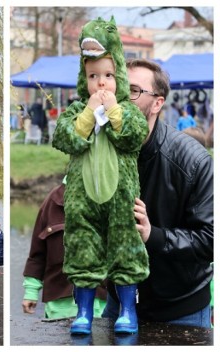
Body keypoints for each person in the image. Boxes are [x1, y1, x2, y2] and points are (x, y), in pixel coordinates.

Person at [52, 17, 149, 335]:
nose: (102, 83)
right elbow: (64, 138)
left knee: (125, 250)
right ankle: (82, 313)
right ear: (85, 79)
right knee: (83, 251)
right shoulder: (77, 109)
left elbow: (135, 136)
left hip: (121, 202)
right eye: (94, 76)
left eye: (108, 75)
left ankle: (127, 312)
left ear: (119, 75)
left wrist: (114, 113)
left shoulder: (130, 109)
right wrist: (88, 114)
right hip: (84, 201)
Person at [101, 58, 213, 329]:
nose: (123, 99)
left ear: (157, 103)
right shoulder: (103, 150)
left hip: (179, 308)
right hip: (117, 303)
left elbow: (210, 239)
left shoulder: (193, 161)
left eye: (135, 91)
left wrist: (154, 236)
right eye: (121, 89)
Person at [22, 183, 107, 320]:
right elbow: (38, 253)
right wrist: (31, 292)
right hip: (59, 306)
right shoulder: (52, 202)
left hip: (100, 304)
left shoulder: (109, 196)